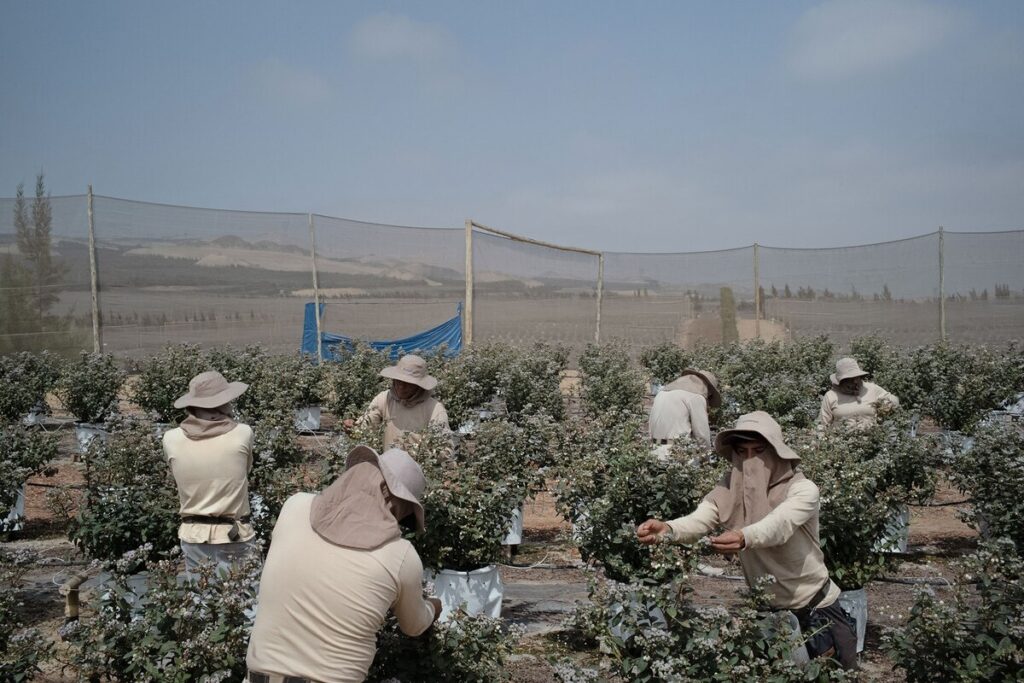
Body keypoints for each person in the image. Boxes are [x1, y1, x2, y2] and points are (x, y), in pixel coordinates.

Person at [636, 411, 858, 670]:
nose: (750, 460)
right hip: (769, 614)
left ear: (777, 452)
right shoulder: (729, 489)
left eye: (759, 451)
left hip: (817, 610)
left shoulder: (802, 489)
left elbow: (779, 524)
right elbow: (702, 518)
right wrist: (668, 529)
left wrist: (744, 537)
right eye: (742, 452)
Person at [246, 446, 442, 683]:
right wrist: (433, 607)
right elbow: (414, 625)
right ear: (400, 507)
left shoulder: (294, 507)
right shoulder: (400, 556)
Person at [163, 370, 257, 574]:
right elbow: (245, 471)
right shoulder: (243, 433)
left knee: (201, 600)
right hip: (235, 534)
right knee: (246, 600)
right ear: (225, 403)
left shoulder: (171, 438)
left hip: (193, 534)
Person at [347, 354, 451, 450]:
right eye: (398, 381)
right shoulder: (384, 399)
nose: (401, 387)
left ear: (419, 386)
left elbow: (445, 449)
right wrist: (353, 428)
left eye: (408, 383)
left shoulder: (434, 409)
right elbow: (365, 428)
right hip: (387, 467)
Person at [649, 368, 721, 451]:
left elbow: (651, 427)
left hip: (655, 450)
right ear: (709, 390)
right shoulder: (695, 397)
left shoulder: (661, 393)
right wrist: (706, 458)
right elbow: (702, 435)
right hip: (678, 453)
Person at [819, 357, 899, 428]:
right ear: (841, 381)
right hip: (841, 442)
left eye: (856, 377)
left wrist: (884, 406)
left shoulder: (871, 389)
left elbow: (894, 401)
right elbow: (823, 424)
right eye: (849, 379)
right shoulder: (831, 396)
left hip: (871, 440)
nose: (854, 381)